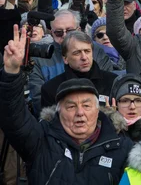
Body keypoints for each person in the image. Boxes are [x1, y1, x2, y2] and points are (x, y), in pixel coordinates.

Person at [0, 25, 134, 184]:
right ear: (58, 110)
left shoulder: (121, 148)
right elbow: (14, 119)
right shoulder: (41, 141)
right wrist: (11, 72)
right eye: (71, 106)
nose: (80, 113)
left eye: (87, 105)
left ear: (98, 110)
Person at [40, 30, 118, 108]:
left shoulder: (113, 81)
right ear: (65, 59)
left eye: (87, 51)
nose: (84, 57)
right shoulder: (50, 89)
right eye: (77, 53)